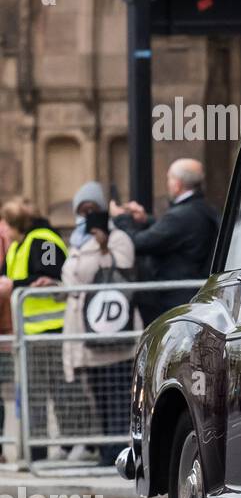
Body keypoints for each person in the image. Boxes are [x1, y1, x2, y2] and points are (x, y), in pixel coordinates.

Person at [61, 185, 138, 466]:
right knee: (97, 393)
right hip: (86, 331)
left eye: (92, 209)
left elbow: (121, 272)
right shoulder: (75, 243)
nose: (87, 216)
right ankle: (107, 449)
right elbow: (70, 279)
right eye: (82, 210)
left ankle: (116, 451)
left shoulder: (118, 238)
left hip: (112, 330)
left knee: (117, 392)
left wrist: (104, 246)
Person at [110, 158, 220, 326]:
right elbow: (174, 236)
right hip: (192, 293)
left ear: (177, 184)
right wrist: (146, 220)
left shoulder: (180, 216)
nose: (167, 184)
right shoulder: (202, 208)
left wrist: (121, 219)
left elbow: (139, 243)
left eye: (169, 179)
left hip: (176, 299)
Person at [0, 198, 69, 464]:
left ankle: (72, 442)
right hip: (29, 333)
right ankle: (37, 449)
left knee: (60, 390)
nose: (3, 228)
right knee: (33, 393)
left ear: (16, 224)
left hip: (53, 328)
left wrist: (13, 284)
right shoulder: (19, 245)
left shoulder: (43, 240)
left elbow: (49, 274)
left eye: (5, 223)